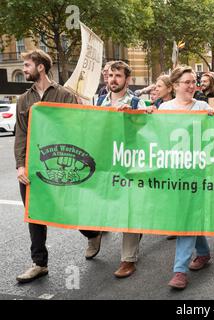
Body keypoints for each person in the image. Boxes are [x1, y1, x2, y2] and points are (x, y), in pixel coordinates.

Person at [14, 49, 102, 283]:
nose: (24, 69)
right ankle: (39, 263)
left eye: (27, 65)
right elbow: (21, 135)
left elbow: (76, 129)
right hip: (34, 167)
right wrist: (20, 166)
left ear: (40, 67)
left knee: (70, 207)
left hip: (63, 163)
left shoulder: (64, 95)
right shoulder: (23, 100)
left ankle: (92, 233)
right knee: (35, 214)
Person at [148, 65, 214, 290]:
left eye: (194, 81)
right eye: (186, 82)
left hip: (197, 171)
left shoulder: (203, 106)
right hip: (173, 171)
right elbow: (157, 136)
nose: (191, 85)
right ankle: (203, 253)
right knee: (187, 214)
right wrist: (146, 118)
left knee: (185, 217)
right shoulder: (165, 108)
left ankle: (179, 270)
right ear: (175, 85)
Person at [97, 61, 146, 278]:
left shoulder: (137, 102)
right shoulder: (97, 101)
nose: (113, 79)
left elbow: (148, 132)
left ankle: (128, 259)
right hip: (105, 164)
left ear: (128, 80)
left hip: (129, 165)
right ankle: (93, 236)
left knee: (129, 211)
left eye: (118, 76)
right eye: (110, 75)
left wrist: (133, 118)